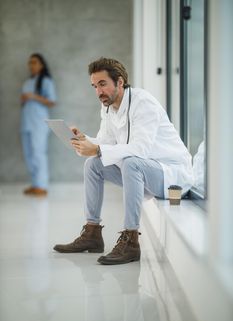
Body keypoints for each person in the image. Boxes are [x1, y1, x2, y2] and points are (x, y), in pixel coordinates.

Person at [53, 57, 194, 265]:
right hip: (143, 172)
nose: (98, 92)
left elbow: (140, 149)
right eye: (94, 86)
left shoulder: (143, 102)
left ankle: (131, 240)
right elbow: (105, 142)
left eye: (102, 84)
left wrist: (98, 148)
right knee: (93, 164)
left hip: (171, 175)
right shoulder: (108, 106)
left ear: (119, 82)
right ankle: (92, 234)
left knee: (131, 162)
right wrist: (85, 139)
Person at [20, 53, 56, 196]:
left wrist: (33, 96)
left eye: (34, 62)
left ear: (41, 65)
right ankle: (35, 184)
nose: (31, 65)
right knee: (29, 154)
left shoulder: (46, 81)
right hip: (26, 122)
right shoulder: (27, 83)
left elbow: (52, 101)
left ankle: (42, 185)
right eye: (30, 63)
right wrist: (24, 99)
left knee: (38, 153)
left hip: (39, 123)